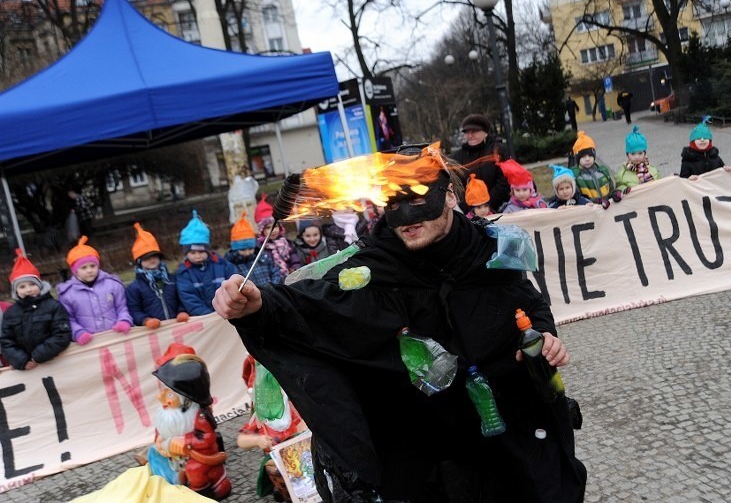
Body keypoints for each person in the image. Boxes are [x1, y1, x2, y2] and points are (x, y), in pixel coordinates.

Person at [213, 147, 586, 501]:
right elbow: (316, 304)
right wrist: (260, 305)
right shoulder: (374, 268)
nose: (407, 218)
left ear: (451, 198)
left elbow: (529, 302)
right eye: (394, 203)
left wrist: (544, 334)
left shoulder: (490, 250)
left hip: (512, 433)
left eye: (420, 199)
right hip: (435, 452)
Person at [150, 352, 232, 500]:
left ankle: (201, 496)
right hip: (174, 456)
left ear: (186, 399)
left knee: (194, 470)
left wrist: (185, 441)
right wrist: (158, 440)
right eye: (162, 392)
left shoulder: (197, 416)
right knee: (154, 457)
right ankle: (172, 488)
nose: (160, 398)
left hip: (198, 456)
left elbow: (207, 437)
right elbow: (162, 428)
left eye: (169, 395)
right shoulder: (167, 413)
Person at [237, 354, 308, 500]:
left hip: (301, 457)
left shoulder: (291, 408)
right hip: (279, 464)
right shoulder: (261, 419)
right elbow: (241, 440)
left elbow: (304, 423)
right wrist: (257, 440)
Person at [0, 249, 71, 370]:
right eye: (22, 286)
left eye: (32, 284)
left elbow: (62, 334)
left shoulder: (53, 306)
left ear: (40, 285)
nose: (28, 290)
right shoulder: (11, 313)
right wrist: (21, 360)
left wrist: (38, 356)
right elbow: (6, 341)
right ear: (16, 290)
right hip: (28, 368)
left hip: (54, 362)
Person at [57, 236, 132, 345]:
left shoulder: (112, 284)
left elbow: (122, 307)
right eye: (84, 268)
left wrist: (124, 320)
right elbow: (69, 319)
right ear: (75, 270)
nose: (89, 270)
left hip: (117, 338)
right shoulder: (67, 294)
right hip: (90, 343)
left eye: (92, 266)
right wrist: (78, 333)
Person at [125, 223, 189, 328]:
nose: (152, 259)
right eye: (147, 257)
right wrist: (145, 320)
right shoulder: (134, 288)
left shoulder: (173, 279)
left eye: (155, 255)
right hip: (153, 332)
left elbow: (183, 297)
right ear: (139, 262)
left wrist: (182, 311)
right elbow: (134, 310)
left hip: (179, 327)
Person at [176, 210, 237, 316]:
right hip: (206, 320)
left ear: (207, 250)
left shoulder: (223, 266)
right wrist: (209, 316)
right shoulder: (184, 273)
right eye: (192, 252)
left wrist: (228, 308)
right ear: (186, 253)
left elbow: (234, 286)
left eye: (201, 252)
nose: (197, 256)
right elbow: (189, 299)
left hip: (229, 313)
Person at [452, 113, 510, 212]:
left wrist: (486, 205)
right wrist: (471, 207)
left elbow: (505, 180)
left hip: (499, 209)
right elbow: (457, 185)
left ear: (485, 132)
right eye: (466, 132)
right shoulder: (459, 156)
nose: (470, 135)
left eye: (474, 131)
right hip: (470, 213)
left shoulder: (498, 150)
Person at [225, 212, 282, 287]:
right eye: (243, 250)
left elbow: (275, 272)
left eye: (250, 249)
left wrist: (273, 287)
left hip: (270, 293)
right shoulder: (231, 265)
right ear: (235, 249)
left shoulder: (262, 257)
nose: (248, 252)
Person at [570, 131, 618, 209]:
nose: (587, 159)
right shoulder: (575, 176)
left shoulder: (602, 171)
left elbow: (611, 187)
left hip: (608, 209)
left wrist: (614, 193)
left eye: (590, 156)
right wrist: (596, 201)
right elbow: (578, 197)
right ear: (577, 158)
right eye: (583, 157)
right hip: (591, 212)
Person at [614, 125, 660, 194]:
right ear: (627, 155)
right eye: (633, 154)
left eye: (640, 153)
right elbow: (619, 186)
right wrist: (624, 190)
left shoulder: (653, 170)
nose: (637, 157)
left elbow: (660, 185)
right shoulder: (622, 174)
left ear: (645, 154)